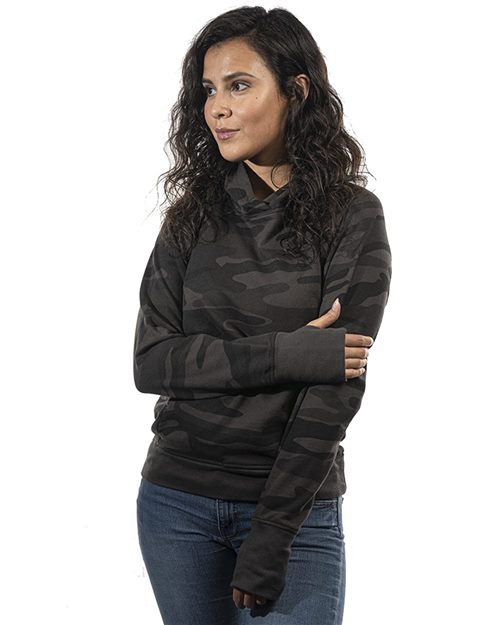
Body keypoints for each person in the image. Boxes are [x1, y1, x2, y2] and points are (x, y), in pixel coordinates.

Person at [133, 6, 392, 624]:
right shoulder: (191, 217)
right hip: (175, 502)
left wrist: (273, 534)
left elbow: (335, 388)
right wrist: (288, 353)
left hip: (294, 512)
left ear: (296, 91)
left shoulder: (352, 215)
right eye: (208, 90)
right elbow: (151, 362)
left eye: (239, 85)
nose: (217, 108)